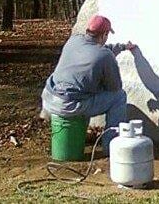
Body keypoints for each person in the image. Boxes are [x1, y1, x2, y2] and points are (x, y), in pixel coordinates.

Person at [41, 14, 137, 154]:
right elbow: (114, 87)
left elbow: (98, 50)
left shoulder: (74, 41)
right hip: (68, 106)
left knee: (81, 89)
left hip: (49, 99)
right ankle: (111, 146)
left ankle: (69, 134)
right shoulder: (105, 55)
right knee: (119, 97)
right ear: (105, 34)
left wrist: (122, 47)